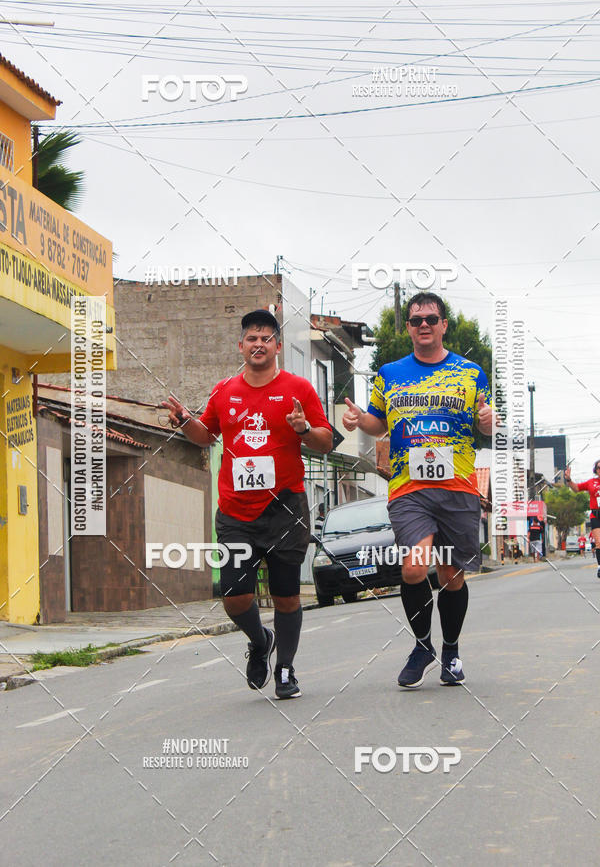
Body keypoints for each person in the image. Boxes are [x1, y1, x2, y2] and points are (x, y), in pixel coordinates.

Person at [162, 309, 332, 698]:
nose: (259, 344)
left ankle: (286, 669)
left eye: (266, 338)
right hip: (236, 512)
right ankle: (260, 641)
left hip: (286, 507)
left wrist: (303, 429)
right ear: (241, 346)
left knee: (286, 595)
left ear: (276, 347)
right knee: (235, 597)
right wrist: (185, 420)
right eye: (252, 338)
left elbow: (325, 441)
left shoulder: (298, 390)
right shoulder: (224, 391)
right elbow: (205, 436)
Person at [343, 292, 494, 689]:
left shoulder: (471, 372)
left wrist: (488, 419)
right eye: (415, 320)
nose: (423, 325)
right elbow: (378, 424)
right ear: (408, 328)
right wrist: (360, 419)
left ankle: (451, 651)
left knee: (451, 576)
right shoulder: (390, 373)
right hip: (409, 487)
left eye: (431, 318)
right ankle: (422, 645)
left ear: (444, 325)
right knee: (413, 567)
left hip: (458, 487)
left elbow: (487, 427)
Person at [565, 460, 600, 577]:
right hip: (596, 515)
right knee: (599, 542)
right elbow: (576, 488)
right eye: (599, 468)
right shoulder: (591, 482)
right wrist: (569, 479)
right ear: (596, 470)